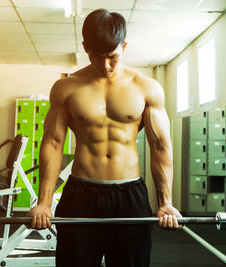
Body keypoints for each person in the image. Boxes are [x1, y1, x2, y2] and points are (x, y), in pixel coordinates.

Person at [29, 8, 182, 267]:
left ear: (124, 46)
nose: (105, 65)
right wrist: (43, 202)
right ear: (85, 47)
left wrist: (165, 202)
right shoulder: (66, 88)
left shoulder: (146, 88)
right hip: (81, 194)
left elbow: (160, 146)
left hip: (129, 195)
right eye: (97, 57)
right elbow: (53, 143)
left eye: (113, 56)